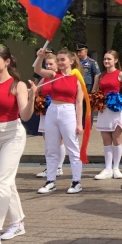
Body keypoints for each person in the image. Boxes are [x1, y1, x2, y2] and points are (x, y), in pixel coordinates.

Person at [33, 48, 84, 195]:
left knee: (72, 147)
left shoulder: (77, 78)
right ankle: (50, 181)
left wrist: (79, 123)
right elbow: (38, 70)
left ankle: (76, 181)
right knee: (51, 147)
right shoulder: (54, 75)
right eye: (58, 60)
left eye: (63, 60)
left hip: (68, 111)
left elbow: (79, 102)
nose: (60, 62)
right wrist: (40, 57)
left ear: (71, 61)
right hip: (52, 110)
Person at [0, 45, 34, 244]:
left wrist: (32, 97)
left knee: (0, 183)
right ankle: (18, 222)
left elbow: (25, 115)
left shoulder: (17, 85)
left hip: (12, 134)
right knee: (6, 180)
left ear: (7, 62)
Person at [92, 51, 122, 179]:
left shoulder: (120, 74)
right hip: (104, 110)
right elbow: (94, 91)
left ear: (115, 60)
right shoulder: (100, 76)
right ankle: (107, 168)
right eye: (104, 59)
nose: (106, 61)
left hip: (117, 110)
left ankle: (116, 168)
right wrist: (97, 100)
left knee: (116, 138)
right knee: (106, 140)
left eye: (109, 59)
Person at [33, 53, 65, 179]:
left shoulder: (60, 77)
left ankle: (59, 167)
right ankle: (50, 166)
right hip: (46, 111)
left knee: (59, 140)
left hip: (58, 111)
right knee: (48, 141)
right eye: (47, 64)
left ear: (57, 64)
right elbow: (37, 90)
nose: (48, 66)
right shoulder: (45, 78)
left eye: (51, 64)